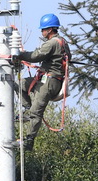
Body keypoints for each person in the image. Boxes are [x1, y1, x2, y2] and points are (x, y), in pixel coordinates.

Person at [16, 13, 69, 151]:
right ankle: (27, 110)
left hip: (50, 82)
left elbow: (36, 55)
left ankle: (29, 141)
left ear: (50, 29)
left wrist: (19, 54)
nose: (42, 32)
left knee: (36, 113)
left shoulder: (52, 43)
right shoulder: (63, 42)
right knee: (21, 85)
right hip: (45, 79)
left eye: (43, 29)